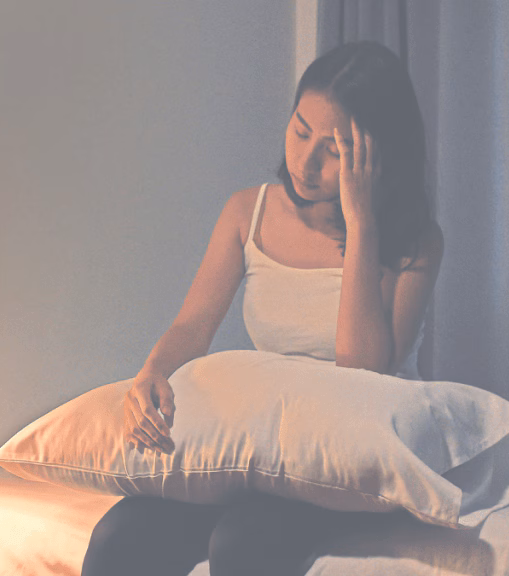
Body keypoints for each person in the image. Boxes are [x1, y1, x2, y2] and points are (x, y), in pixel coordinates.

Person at [81, 40, 444, 576]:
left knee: (241, 541)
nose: (306, 161)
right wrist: (153, 373)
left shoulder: (414, 241)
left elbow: (363, 371)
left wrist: (362, 224)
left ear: (376, 156)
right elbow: (192, 326)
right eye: (300, 131)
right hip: (272, 447)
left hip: (358, 454)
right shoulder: (246, 212)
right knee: (120, 536)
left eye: (334, 149)